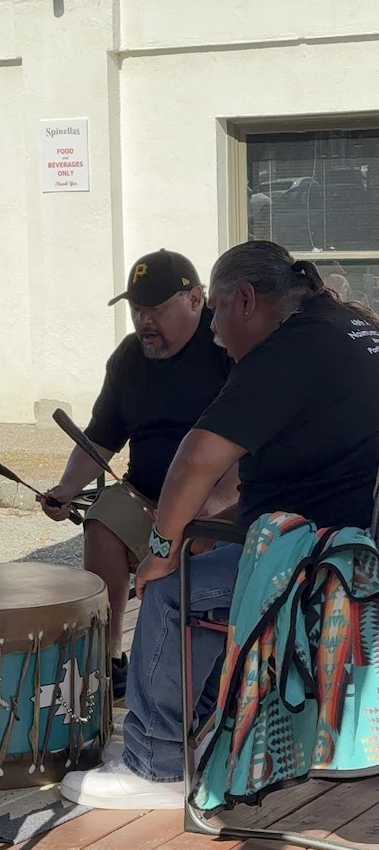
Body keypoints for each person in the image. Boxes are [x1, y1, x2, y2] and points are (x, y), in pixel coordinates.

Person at [61, 239, 379, 810]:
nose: (215, 334)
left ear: (245, 300)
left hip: (312, 557)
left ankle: (156, 766)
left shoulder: (288, 351)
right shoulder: (349, 327)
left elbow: (197, 458)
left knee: (170, 591)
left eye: (219, 318)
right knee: (195, 560)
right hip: (349, 544)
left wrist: (161, 550)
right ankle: (205, 725)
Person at [42, 248, 235, 698]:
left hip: (218, 498)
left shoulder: (226, 346)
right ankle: (109, 658)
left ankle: (202, 674)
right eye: (137, 309)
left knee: (198, 555)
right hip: (144, 496)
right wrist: (67, 488)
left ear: (195, 300)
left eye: (156, 308)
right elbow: (102, 437)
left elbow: (250, 444)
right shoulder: (129, 358)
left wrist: (205, 507)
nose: (144, 321)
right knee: (102, 520)